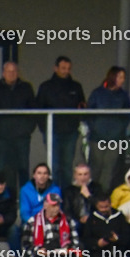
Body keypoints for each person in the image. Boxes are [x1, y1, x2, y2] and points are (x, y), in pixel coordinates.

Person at [0, 62, 37, 199]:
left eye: (14, 71)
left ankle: (25, 200)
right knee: (1, 169)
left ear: (18, 73)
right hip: (2, 138)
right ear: (3, 73)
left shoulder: (26, 88)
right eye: (8, 71)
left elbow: (34, 111)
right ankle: (1, 200)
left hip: (22, 137)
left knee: (23, 169)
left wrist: (27, 130)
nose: (11, 74)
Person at [36, 57, 86, 187]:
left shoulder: (76, 86)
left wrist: (78, 125)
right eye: (63, 68)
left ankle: (66, 196)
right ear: (55, 68)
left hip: (70, 132)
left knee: (67, 165)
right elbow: (38, 110)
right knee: (54, 166)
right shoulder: (46, 87)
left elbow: (82, 107)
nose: (66, 71)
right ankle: (54, 196)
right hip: (53, 132)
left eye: (68, 69)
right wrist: (45, 129)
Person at [22, 192, 77, 257]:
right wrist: (38, 251)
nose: (56, 208)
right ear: (45, 205)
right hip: (43, 254)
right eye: (53, 205)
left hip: (62, 255)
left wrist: (67, 250)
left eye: (57, 205)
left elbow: (75, 244)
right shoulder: (33, 221)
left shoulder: (68, 221)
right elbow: (26, 245)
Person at [86, 67, 130, 190]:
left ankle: (103, 196)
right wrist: (95, 128)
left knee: (109, 169)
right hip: (97, 137)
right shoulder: (97, 93)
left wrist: (119, 130)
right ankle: (91, 193)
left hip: (115, 139)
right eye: (120, 77)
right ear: (113, 77)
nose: (123, 80)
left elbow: (127, 116)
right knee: (95, 167)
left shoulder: (123, 95)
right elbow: (88, 114)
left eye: (123, 77)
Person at [16, 164, 62, 254]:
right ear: (34, 175)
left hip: (50, 222)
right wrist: (34, 223)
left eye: (45, 173)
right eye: (39, 173)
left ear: (48, 176)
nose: (42, 176)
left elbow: (56, 210)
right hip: (31, 222)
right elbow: (24, 212)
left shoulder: (55, 190)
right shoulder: (25, 190)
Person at [61, 164, 104, 228]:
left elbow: (101, 207)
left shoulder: (96, 188)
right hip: (76, 221)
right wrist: (79, 219)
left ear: (89, 175)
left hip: (94, 220)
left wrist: (89, 196)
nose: (83, 178)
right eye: (80, 174)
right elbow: (67, 211)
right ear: (75, 176)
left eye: (85, 174)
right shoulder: (69, 190)